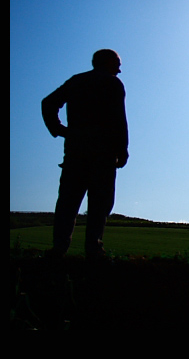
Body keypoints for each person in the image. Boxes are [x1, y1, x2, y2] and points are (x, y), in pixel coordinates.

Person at [41, 49, 129, 258]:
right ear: (107, 62)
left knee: (68, 202)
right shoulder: (112, 83)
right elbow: (119, 119)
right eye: (117, 62)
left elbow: (48, 103)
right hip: (103, 152)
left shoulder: (77, 81)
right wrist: (122, 150)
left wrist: (61, 130)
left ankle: (59, 248)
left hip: (76, 150)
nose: (120, 68)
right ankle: (93, 249)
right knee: (100, 202)